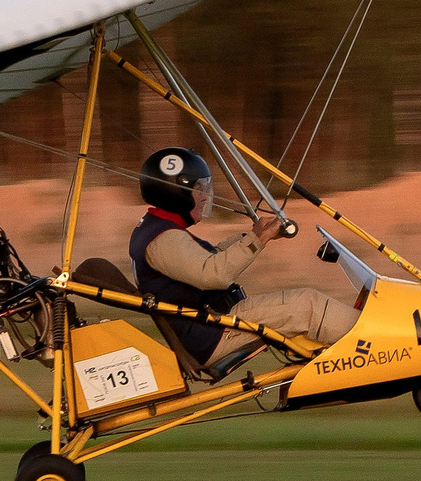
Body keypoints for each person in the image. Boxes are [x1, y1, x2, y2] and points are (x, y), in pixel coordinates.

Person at [128, 148, 358, 370]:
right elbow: (214, 274)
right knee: (308, 306)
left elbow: (209, 258)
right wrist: (257, 240)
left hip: (214, 324)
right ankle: (374, 339)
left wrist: (255, 235)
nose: (205, 196)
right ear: (176, 193)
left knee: (304, 303)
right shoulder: (164, 238)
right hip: (215, 332)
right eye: (198, 189)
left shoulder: (156, 229)